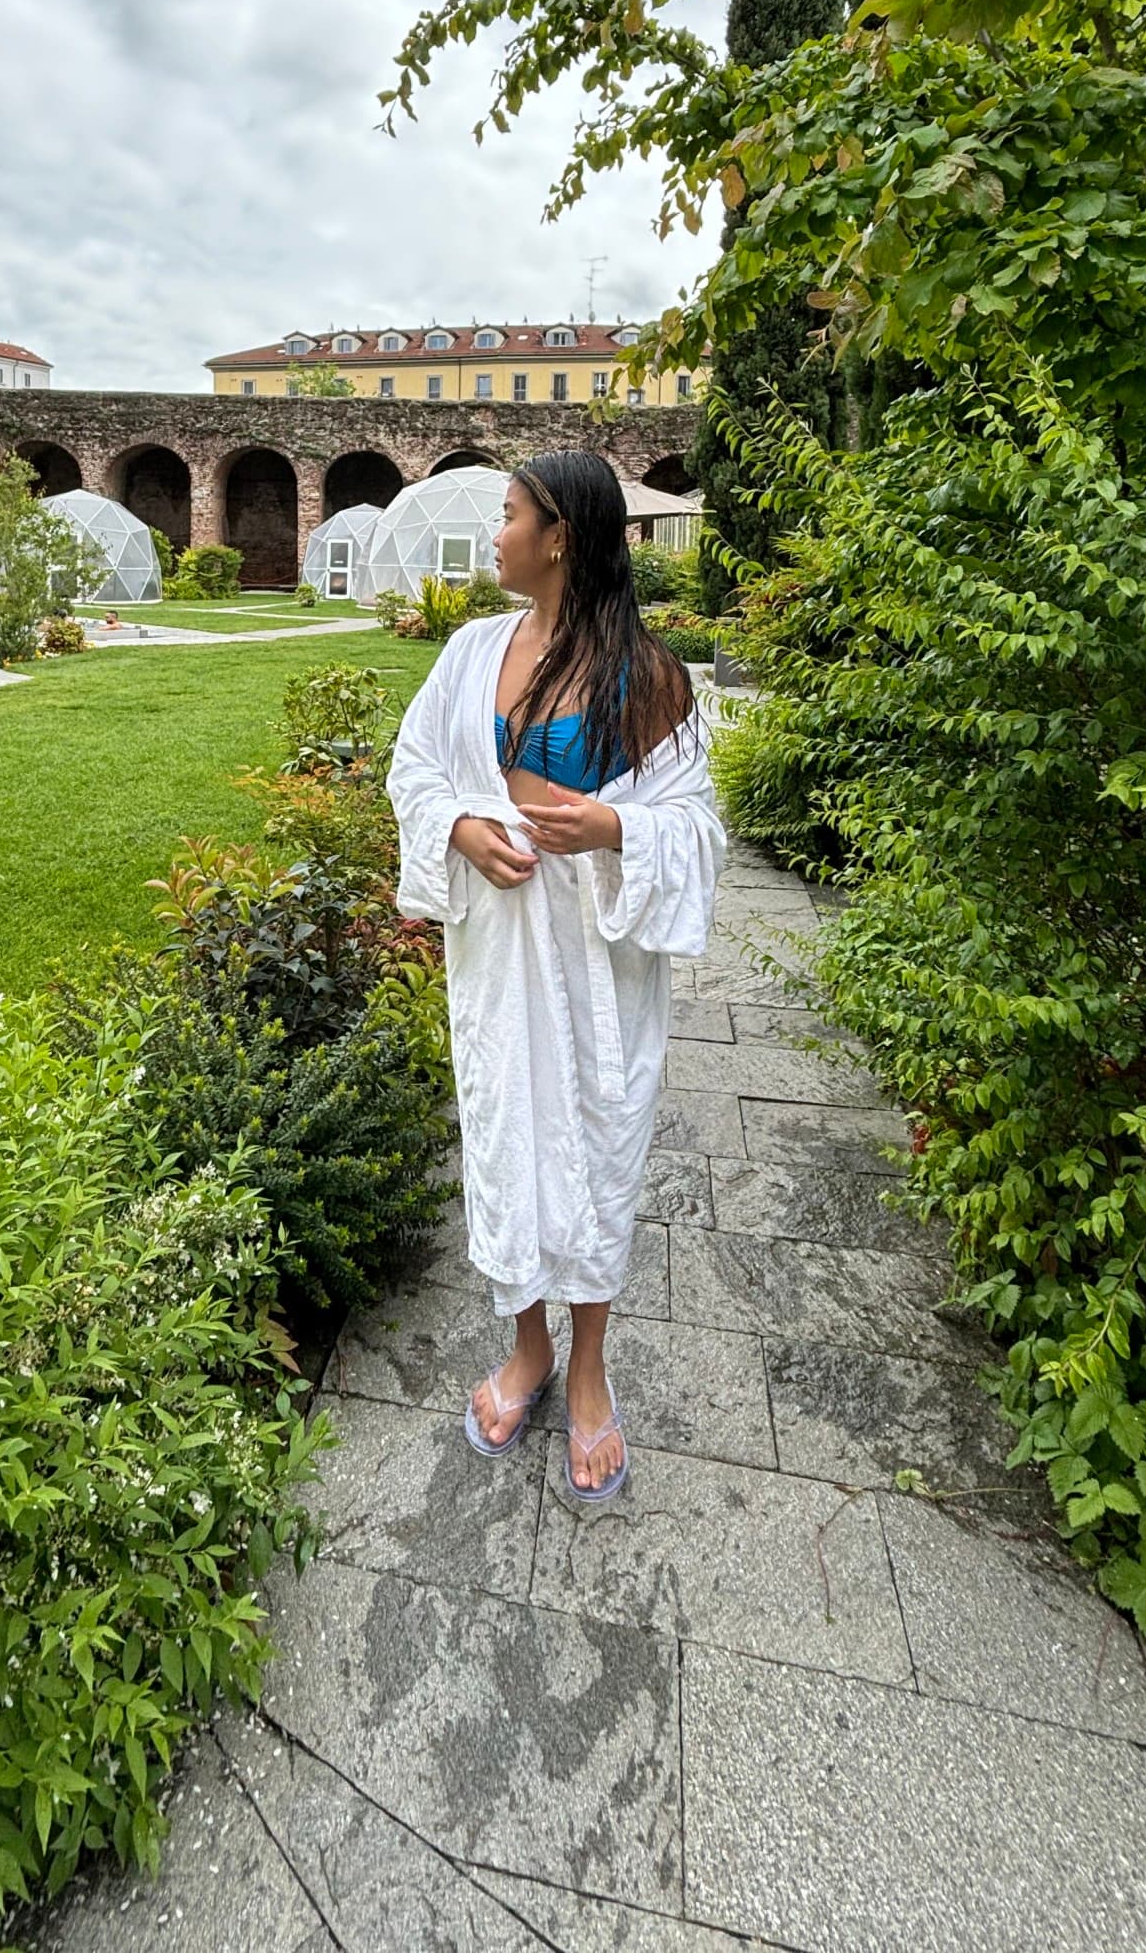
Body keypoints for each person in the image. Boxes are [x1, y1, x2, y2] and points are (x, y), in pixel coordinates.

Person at [385, 449, 725, 1505]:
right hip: (495, 961)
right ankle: (525, 1348)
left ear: (559, 536)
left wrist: (616, 824)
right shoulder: (469, 651)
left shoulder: (648, 676)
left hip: (596, 975)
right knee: (506, 1144)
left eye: (507, 514)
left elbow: (696, 824)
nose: (493, 534)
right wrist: (460, 827)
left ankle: (585, 1370)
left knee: (591, 1148)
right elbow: (415, 767)